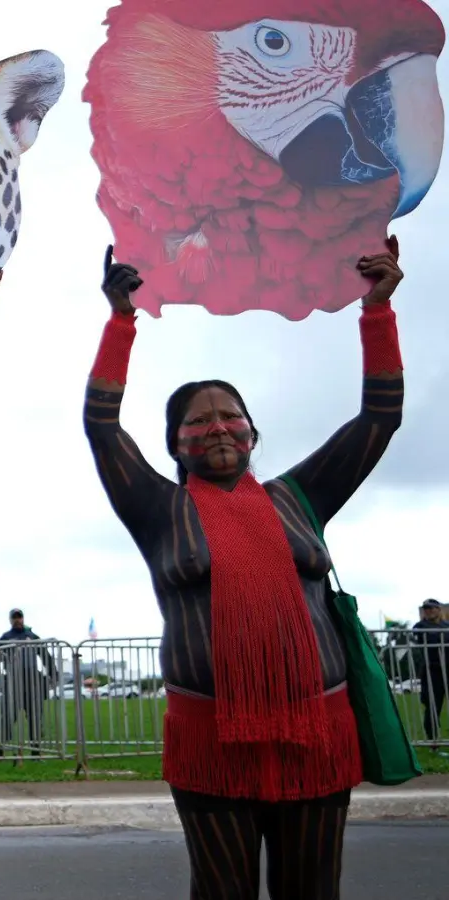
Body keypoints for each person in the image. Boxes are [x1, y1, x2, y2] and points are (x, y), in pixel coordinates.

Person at [84, 238, 404, 899]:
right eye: (198, 423)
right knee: (222, 891)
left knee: (312, 891)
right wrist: (121, 321)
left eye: (231, 416)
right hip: (210, 743)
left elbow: (381, 417)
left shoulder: (300, 496)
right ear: (176, 444)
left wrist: (377, 311)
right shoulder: (157, 509)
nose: (218, 428)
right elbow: (101, 427)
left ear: (254, 433)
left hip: (318, 734)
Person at [0, 609, 57, 757]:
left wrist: (53, 675)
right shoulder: (5, 638)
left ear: (23, 618)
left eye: (20, 617)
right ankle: (2, 748)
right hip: (12, 682)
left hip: (32, 683)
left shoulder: (32, 636)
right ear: (10, 620)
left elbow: (45, 656)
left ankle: (35, 750)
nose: (18, 620)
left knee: (35, 716)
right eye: (15, 618)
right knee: (8, 716)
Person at [412, 600, 449, 742]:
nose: (428, 611)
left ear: (438, 609)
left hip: (448, 668)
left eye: (431, 608)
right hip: (432, 670)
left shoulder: (446, 625)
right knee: (433, 705)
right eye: (426, 609)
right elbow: (423, 638)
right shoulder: (420, 626)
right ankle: (433, 740)